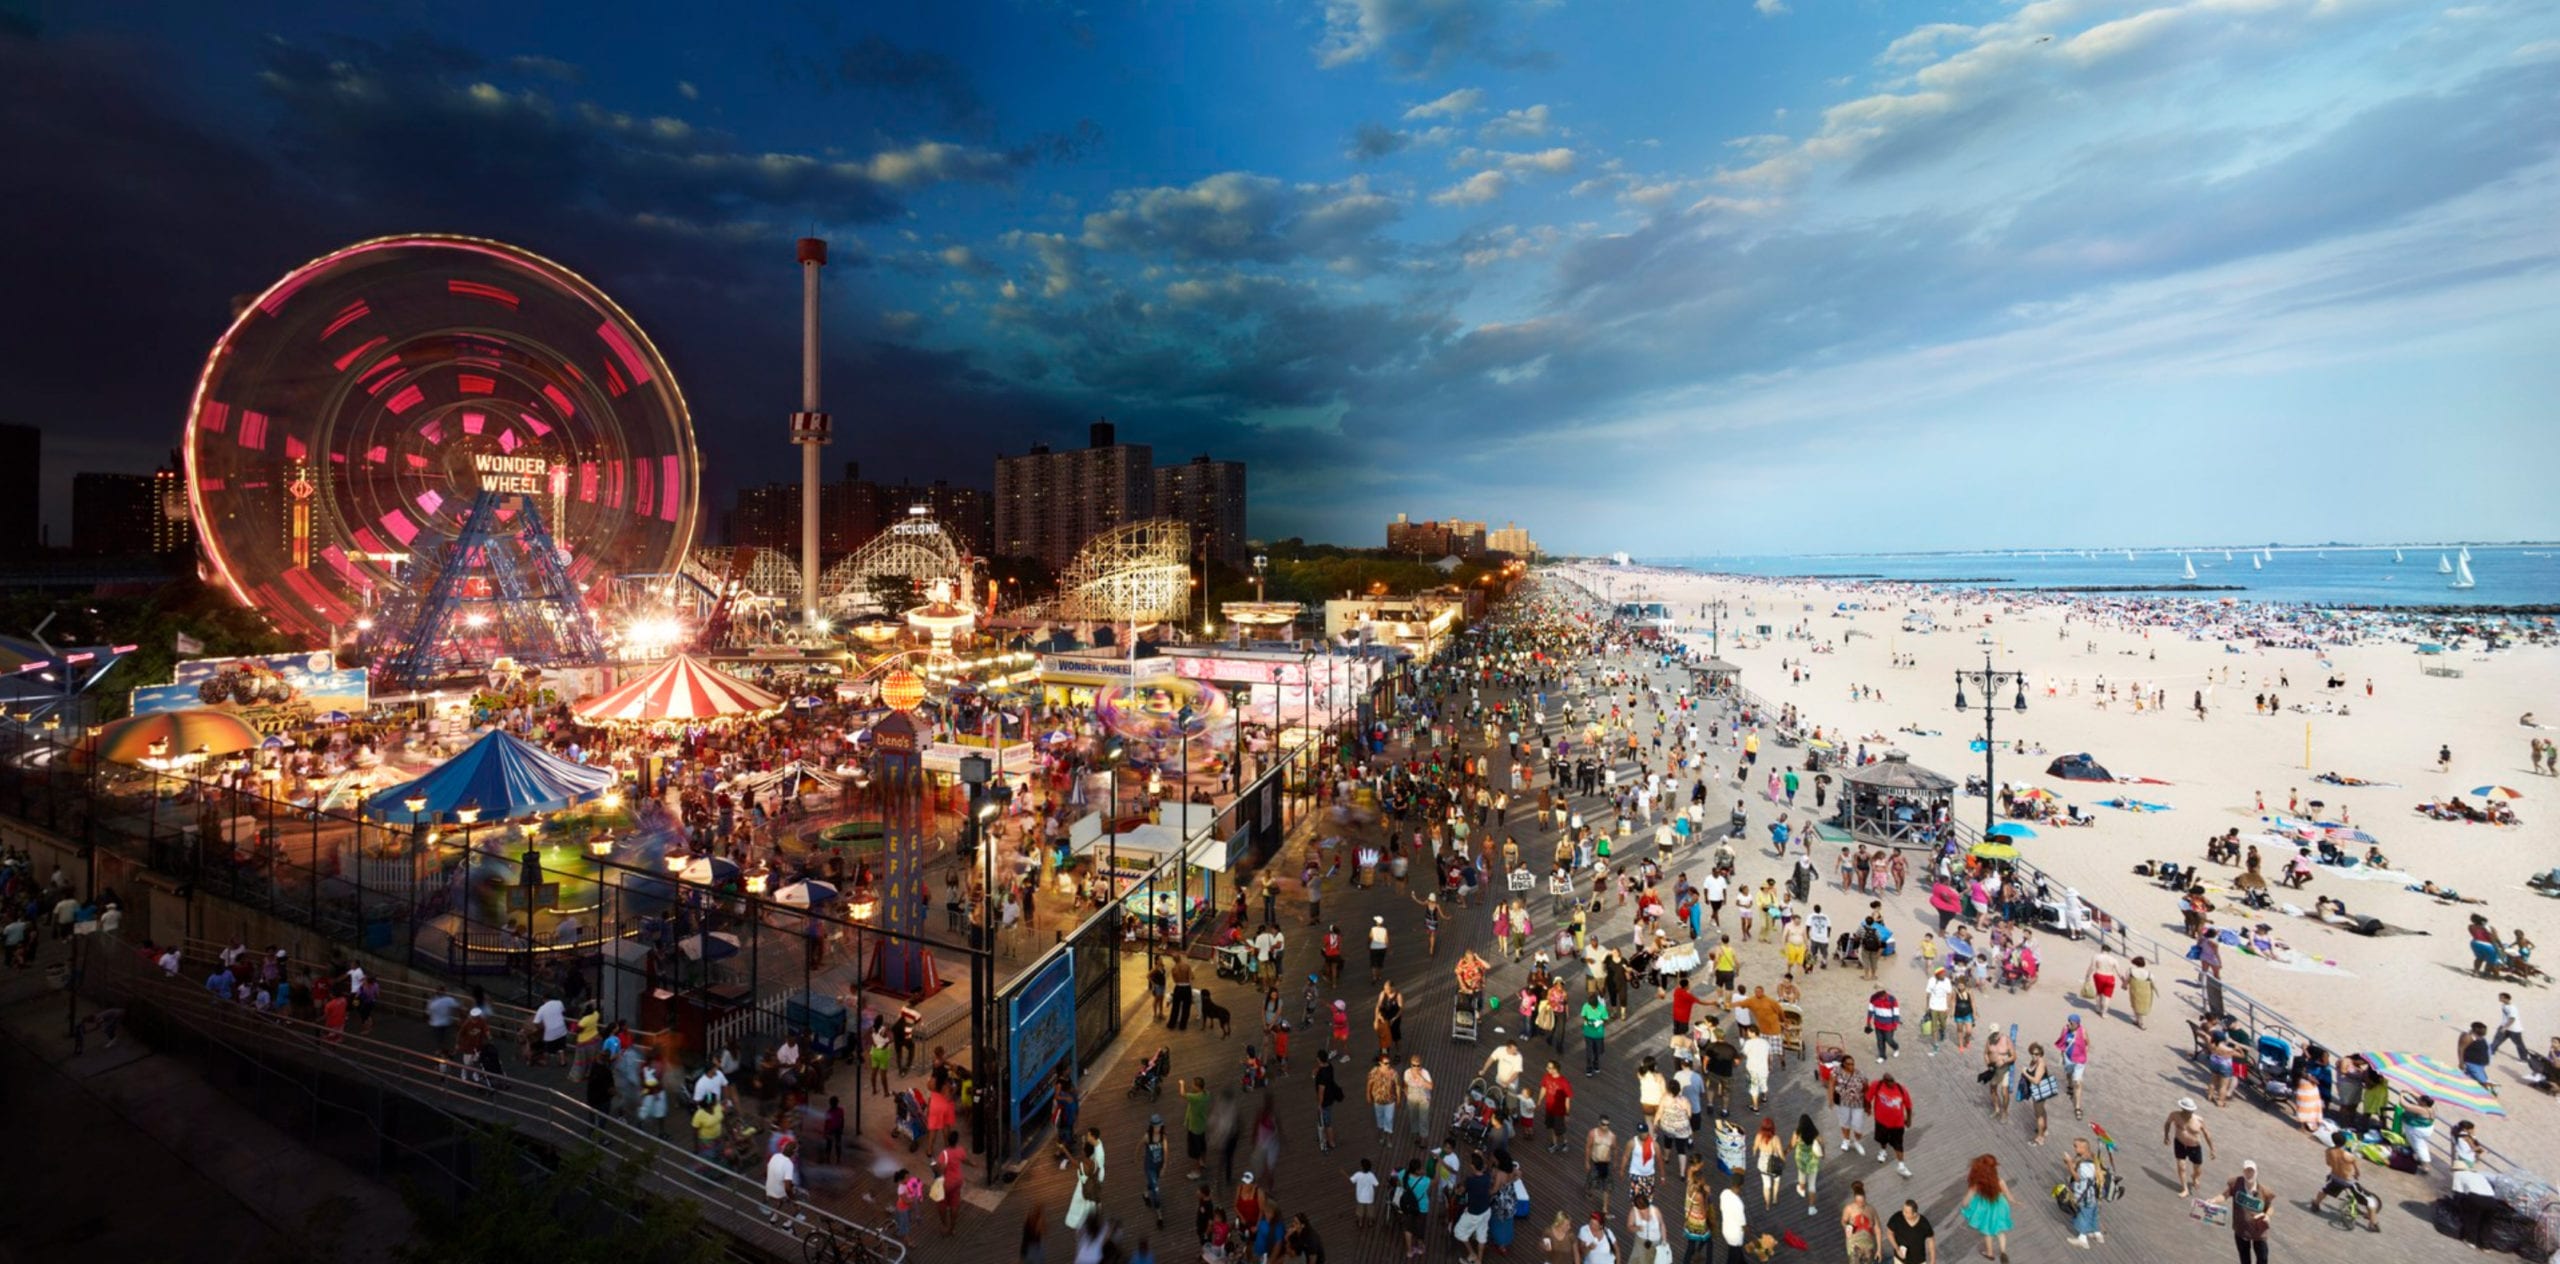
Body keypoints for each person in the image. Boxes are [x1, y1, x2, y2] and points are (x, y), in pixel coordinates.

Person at [1956, 1154, 2011, 1262]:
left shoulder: (1978, 1183)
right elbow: (2007, 1194)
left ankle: (1990, 1253)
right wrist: (2015, 1201)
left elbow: (1967, 1198)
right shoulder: (1999, 1180)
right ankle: (2003, 1252)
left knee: (1988, 1231)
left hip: (1986, 1207)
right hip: (1999, 1205)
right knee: (1999, 1230)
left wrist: (1963, 1205)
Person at [2218, 1160, 2273, 1264]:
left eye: (2252, 1171)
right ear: (2243, 1172)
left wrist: (2267, 1216)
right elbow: (2224, 1195)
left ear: (2256, 1172)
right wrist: (2213, 1201)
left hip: (2258, 1232)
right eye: (2247, 1171)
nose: (2249, 1174)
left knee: (2263, 1259)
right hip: (2241, 1230)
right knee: (2245, 1260)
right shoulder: (2236, 1184)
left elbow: (2270, 1208)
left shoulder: (2264, 1191)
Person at [2162, 1098, 2215, 1197]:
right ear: (2182, 1109)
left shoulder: (2198, 1120)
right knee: (2181, 1166)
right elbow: (2167, 1123)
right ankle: (2185, 1189)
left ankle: (2195, 1177)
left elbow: (2207, 1134)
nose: (2188, 1113)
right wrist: (2166, 1136)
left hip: (2194, 1147)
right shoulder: (2175, 1115)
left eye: (2190, 1111)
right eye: (2186, 1111)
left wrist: (2212, 1149)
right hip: (2179, 1143)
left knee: (2197, 1170)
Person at [1867, 1073, 1914, 1178]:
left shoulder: (1901, 1090)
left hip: (1897, 1124)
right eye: (1888, 1081)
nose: (1891, 1083)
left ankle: (1901, 1166)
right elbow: (1868, 1097)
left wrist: (1909, 1119)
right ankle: (1883, 1150)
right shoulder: (1877, 1085)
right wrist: (1868, 1107)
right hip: (1881, 1121)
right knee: (1882, 1139)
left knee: (1898, 1144)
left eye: (1892, 1080)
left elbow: (1909, 1106)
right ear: (1884, 1081)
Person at [1839, 1181, 1882, 1264]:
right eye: (1857, 1202)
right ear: (1854, 1199)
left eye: (1862, 1202)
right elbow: (1843, 1221)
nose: (1860, 1204)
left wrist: (1879, 1250)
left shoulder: (1871, 1210)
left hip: (1869, 1246)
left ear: (1865, 1198)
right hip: (1854, 1245)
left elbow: (1878, 1230)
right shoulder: (1849, 1209)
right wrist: (1846, 1226)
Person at [1886, 1199, 1935, 1264]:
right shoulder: (1897, 1218)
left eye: (1906, 1212)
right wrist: (1897, 1248)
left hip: (1919, 1261)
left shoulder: (1924, 1224)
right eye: (1903, 1210)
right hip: (1900, 1260)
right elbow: (1889, 1233)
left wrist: (1933, 1261)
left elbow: (1931, 1240)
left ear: (1914, 1214)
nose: (1903, 1213)